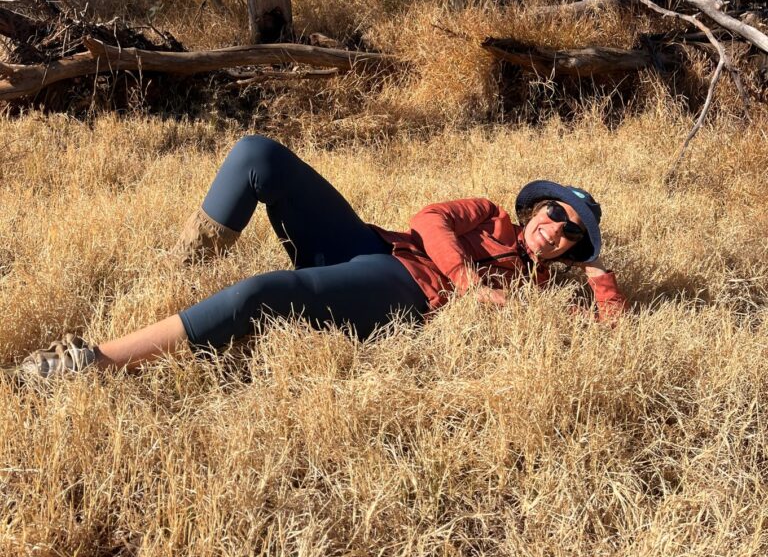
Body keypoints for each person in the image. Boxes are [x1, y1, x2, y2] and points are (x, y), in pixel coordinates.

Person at [11, 134, 627, 378]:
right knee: (259, 155)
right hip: (378, 245)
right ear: (533, 210)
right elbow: (427, 220)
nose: (558, 230)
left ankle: (92, 362)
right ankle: (181, 271)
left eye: (573, 234)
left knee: (263, 294)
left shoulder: (537, 292)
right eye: (555, 213)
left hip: (401, 291)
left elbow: (607, 332)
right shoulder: (489, 214)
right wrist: (468, 278)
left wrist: (599, 276)